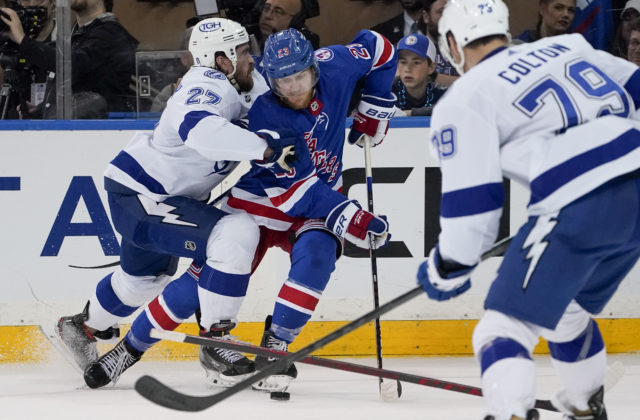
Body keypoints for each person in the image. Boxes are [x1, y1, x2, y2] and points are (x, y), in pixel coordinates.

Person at [82, 27, 397, 393]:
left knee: (317, 257)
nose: (292, 88)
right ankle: (132, 347)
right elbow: (296, 194)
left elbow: (379, 48)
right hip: (268, 198)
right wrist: (353, 218)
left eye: (300, 76)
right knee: (197, 280)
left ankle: (275, 347)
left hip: (313, 197)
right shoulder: (265, 109)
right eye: (283, 81)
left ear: (315, 67)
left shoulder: (330, 67)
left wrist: (376, 101)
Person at [416, 1, 640, 419]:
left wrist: (448, 268)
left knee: (502, 329)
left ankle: (510, 413)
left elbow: (474, 206)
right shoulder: (569, 47)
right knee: (566, 312)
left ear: (451, 42)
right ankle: (583, 406)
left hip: (579, 201)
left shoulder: (465, 96)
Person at [54, 17, 300, 384]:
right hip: (145, 196)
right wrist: (264, 149)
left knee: (143, 283)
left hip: (150, 197)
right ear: (221, 59)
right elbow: (201, 130)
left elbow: (288, 95)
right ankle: (216, 339)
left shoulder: (246, 80)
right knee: (235, 232)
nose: (253, 58)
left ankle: (82, 327)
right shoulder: (204, 85)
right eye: (245, 51)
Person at [0, 0, 138, 117]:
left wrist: (22, 40)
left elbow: (72, 66)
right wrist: (42, 109)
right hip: (74, 131)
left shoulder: (112, 33)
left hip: (98, 134)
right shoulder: (78, 36)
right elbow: (76, 89)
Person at [0, 0, 57, 119]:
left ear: (53, 4)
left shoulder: (68, 42)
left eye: (39, 0)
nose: (32, 5)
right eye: (25, 0)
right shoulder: (6, 42)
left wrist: (23, 41)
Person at [393, 32, 445, 116]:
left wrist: (410, 113)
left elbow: (450, 108)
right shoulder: (388, 91)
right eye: (403, 62)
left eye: (416, 63)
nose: (407, 69)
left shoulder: (442, 92)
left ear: (431, 67)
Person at [421, 0, 459, 87]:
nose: (447, 16)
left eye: (450, 11)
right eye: (441, 11)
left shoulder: (465, 49)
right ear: (426, 16)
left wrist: (431, 76)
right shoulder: (411, 49)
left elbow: (472, 82)